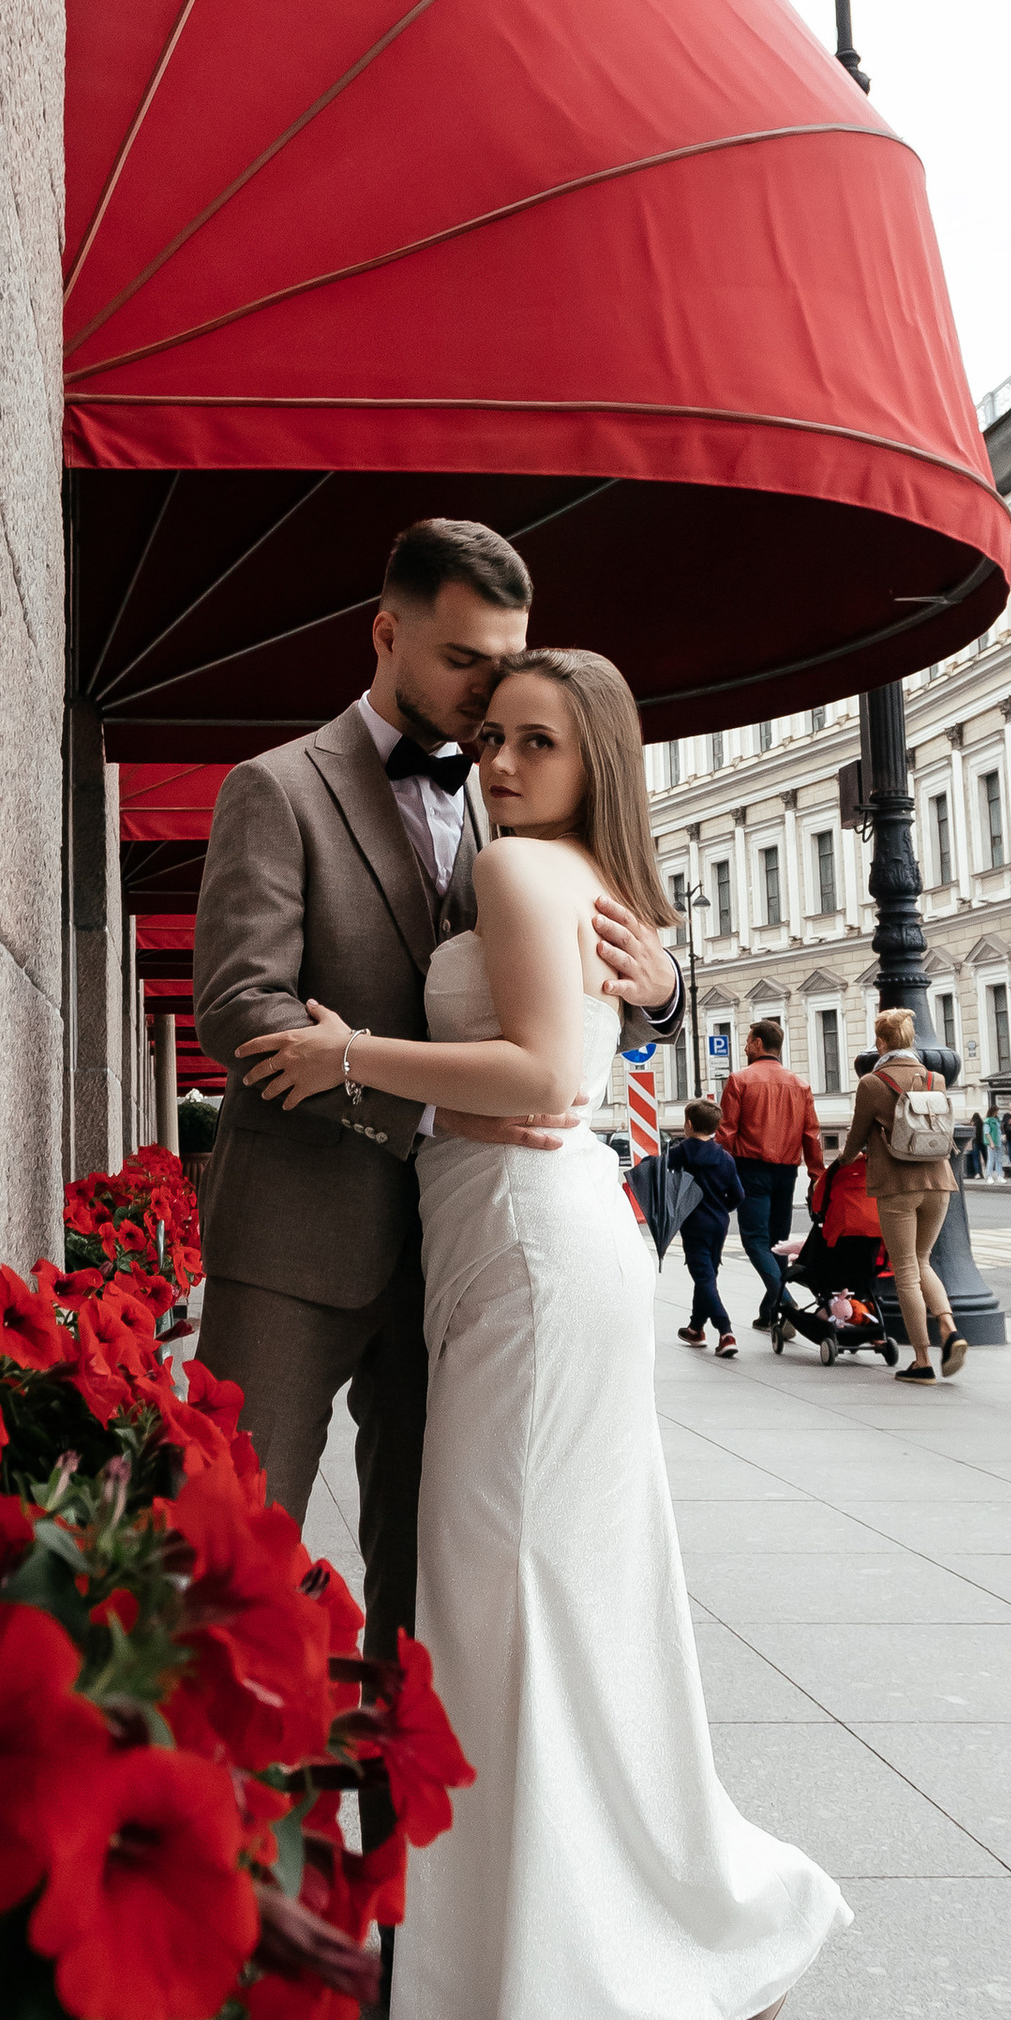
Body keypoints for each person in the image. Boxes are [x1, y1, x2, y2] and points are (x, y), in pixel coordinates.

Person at [239, 648, 846, 2020]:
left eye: (538, 746)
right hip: (522, 1243)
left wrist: (348, 1057)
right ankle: (639, 1947)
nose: (502, 767)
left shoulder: (524, 877)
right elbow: (573, 1049)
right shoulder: (565, 879)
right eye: (493, 739)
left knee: (509, 1604)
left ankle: (705, 1930)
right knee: (548, 1605)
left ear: (595, 767)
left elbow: (545, 1082)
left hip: (523, 1243)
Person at [190, 520, 684, 1668]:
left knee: (433, 1579)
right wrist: (418, 1111)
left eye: (505, 658)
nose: (487, 691)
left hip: (462, 1261)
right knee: (230, 1555)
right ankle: (238, 1840)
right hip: (296, 1245)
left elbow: (585, 954)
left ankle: (400, 1844)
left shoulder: (507, 791)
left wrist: (661, 989)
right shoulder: (275, 789)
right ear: (385, 633)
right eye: (463, 659)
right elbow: (239, 1008)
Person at [842, 1008, 963, 1380]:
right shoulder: (936, 1079)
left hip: (896, 1186)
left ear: (880, 1043)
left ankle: (923, 1360)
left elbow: (856, 1138)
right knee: (924, 1261)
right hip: (939, 1181)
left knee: (906, 1271)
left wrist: (843, 1162)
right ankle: (948, 1327)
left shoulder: (872, 1083)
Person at [718, 1020, 824, 1338]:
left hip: (751, 1170)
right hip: (787, 1173)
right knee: (777, 1245)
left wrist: (717, 1171)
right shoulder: (800, 1085)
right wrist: (817, 1175)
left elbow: (726, 1133)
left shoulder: (740, 1080)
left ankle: (786, 1305)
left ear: (760, 1044)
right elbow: (812, 1135)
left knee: (755, 1242)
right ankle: (768, 1314)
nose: (745, 1046)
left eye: (748, 1040)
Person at [668, 1097, 744, 1354]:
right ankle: (696, 1328)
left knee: (704, 1278)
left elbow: (658, 1171)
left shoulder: (680, 1152)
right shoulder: (725, 1158)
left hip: (693, 1224)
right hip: (718, 1224)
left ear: (688, 1124)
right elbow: (738, 1196)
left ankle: (726, 1333)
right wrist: (723, 1209)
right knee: (708, 1275)